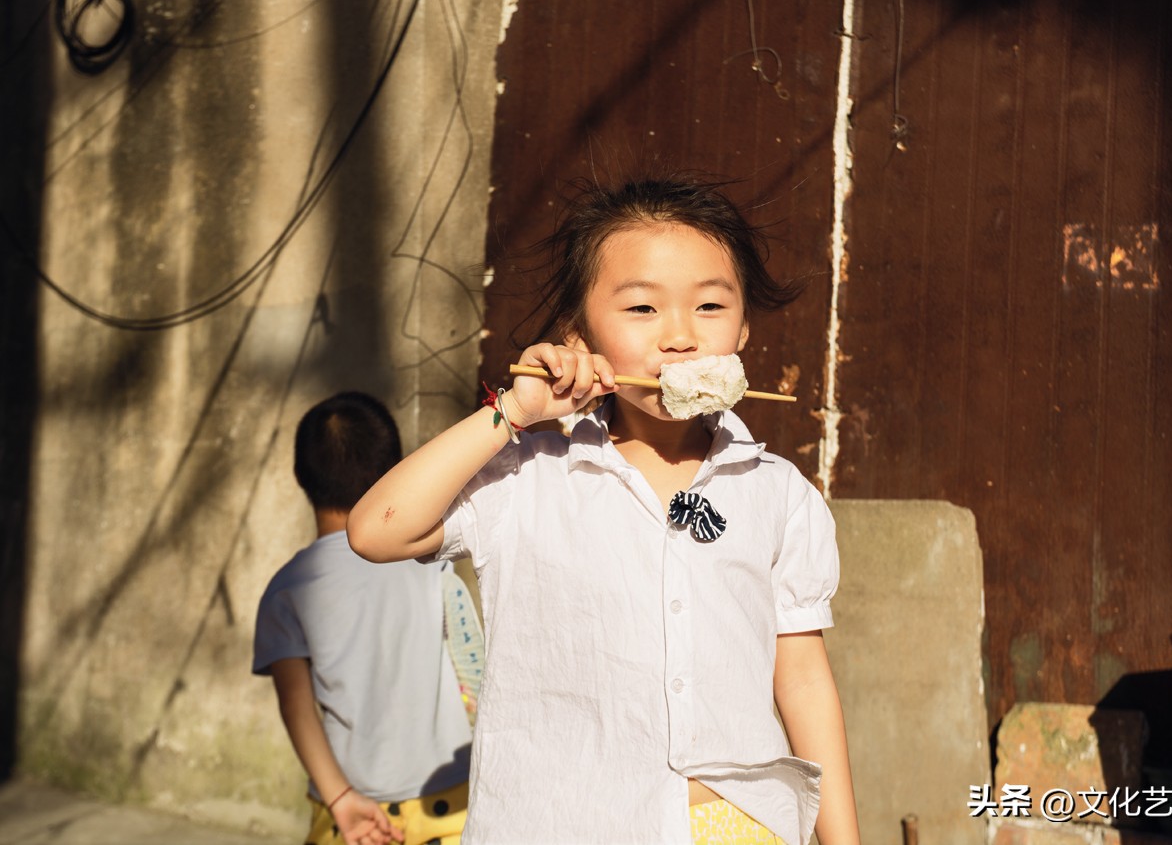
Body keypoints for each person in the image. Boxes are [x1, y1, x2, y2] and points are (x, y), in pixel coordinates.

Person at [347, 177, 860, 845]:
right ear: (578, 337)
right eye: (642, 309)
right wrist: (514, 411)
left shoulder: (778, 493)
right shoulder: (527, 475)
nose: (679, 337)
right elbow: (375, 531)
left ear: (743, 330)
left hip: (734, 826)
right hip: (559, 823)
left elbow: (801, 678)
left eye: (710, 305)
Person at [254, 392, 474, 845]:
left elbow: (296, 707)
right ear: (393, 471)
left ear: (300, 476)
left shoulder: (287, 589)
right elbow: (475, 670)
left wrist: (340, 800)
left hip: (354, 813)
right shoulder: (430, 564)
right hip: (453, 798)